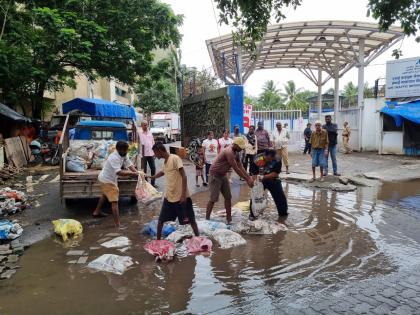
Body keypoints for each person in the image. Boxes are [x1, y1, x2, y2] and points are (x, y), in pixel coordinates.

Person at [149, 143, 199, 240]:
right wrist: (152, 177)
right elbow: (163, 172)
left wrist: (183, 195)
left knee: (191, 220)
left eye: (155, 153)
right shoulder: (165, 162)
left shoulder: (174, 158)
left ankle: (199, 238)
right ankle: (158, 242)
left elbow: (184, 176)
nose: (155, 155)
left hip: (181, 198)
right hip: (169, 197)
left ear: (160, 150)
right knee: (161, 221)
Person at [206, 137, 254, 224]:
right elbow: (236, 169)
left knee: (228, 197)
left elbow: (241, 166)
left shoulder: (236, 152)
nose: (242, 149)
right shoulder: (229, 152)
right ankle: (207, 219)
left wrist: (249, 178)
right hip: (215, 175)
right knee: (213, 199)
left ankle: (229, 219)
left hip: (223, 175)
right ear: (235, 145)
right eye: (240, 147)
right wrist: (247, 180)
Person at [93, 140, 138, 228]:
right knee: (114, 202)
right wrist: (132, 174)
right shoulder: (114, 157)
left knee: (105, 195)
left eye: (126, 150)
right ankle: (118, 224)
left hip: (107, 178)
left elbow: (129, 164)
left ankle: (96, 212)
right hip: (107, 180)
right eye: (125, 150)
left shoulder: (123, 154)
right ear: (119, 149)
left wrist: (137, 172)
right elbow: (119, 172)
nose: (126, 152)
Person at [249, 149, 288, 220]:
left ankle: (283, 215)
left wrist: (264, 177)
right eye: (268, 159)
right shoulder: (256, 159)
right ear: (264, 155)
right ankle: (253, 215)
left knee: (280, 197)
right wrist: (254, 182)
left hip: (273, 179)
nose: (269, 161)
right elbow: (254, 174)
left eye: (271, 159)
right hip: (259, 181)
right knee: (255, 197)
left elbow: (276, 173)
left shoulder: (277, 159)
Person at [138, 120, 157, 187]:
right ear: (141, 126)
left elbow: (153, 142)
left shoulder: (150, 132)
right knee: (144, 169)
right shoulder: (139, 133)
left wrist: (155, 152)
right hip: (143, 154)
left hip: (151, 153)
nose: (146, 126)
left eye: (146, 125)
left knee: (153, 168)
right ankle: (145, 183)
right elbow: (138, 143)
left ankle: (153, 183)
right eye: (144, 125)